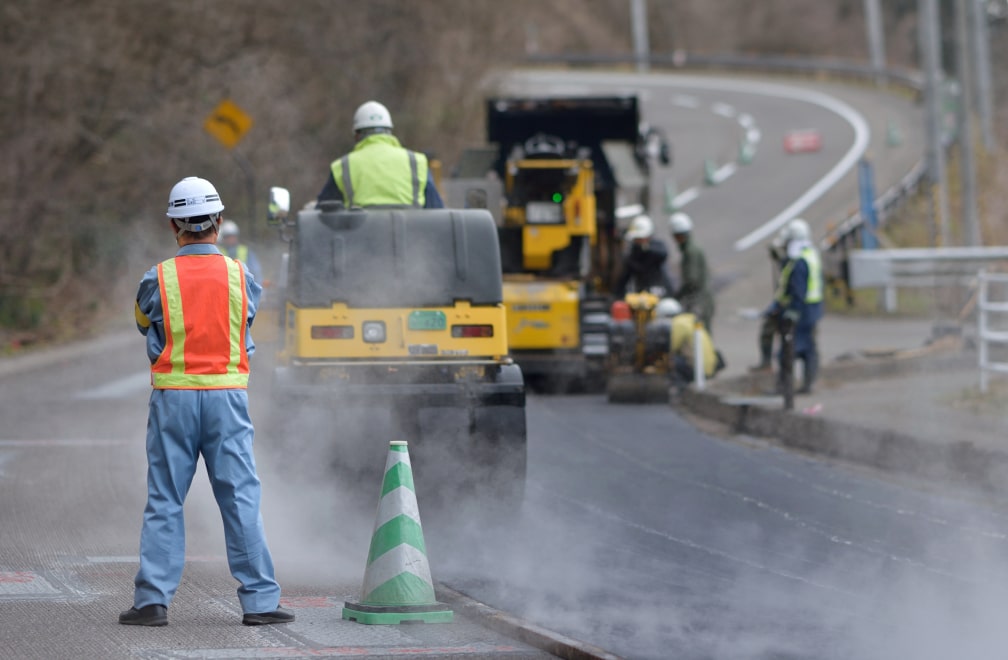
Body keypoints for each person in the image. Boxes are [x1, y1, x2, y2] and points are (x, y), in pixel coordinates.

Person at [121, 176, 293, 627]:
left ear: (175, 226)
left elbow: (142, 320)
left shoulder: (156, 277)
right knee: (240, 497)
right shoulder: (242, 276)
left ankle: (153, 602)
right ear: (217, 221)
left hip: (173, 399)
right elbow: (249, 316)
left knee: (165, 499)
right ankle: (259, 602)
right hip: (227, 399)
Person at [317, 100, 444, 208]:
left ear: (356, 135)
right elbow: (436, 211)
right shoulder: (416, 162)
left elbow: (323, 214)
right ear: (390, 132)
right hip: (413, 236)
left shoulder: (344, 166)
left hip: (361, 237)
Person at [764, 218, 824, 394]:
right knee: (809, 350)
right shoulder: (811, 254)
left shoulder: (798, 262)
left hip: (801, 311)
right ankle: (808, 383)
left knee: (788, 351)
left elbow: (798, 289)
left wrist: (792, 311)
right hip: (812, 310)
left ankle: (785, 388)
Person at [654, 297, 723, 386]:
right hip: (709, 368)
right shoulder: (689, 320)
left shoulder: (678, 324)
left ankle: (680, 387)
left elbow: (670, 347)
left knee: (666, 359)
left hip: (698, 369)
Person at [750, 227, 790, 372]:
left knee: (788, 342)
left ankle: (785, 375)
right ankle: (767, 363)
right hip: (781, 303)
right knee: (767, 330)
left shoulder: (793, 260)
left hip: (788, 305)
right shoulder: (787, 260)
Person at [669, 212, 715, 334]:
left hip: (699, 301)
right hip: (702, 299)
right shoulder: (692, 248)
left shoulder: (690, 252)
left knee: (700, 337)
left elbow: (692, 280)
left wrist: (677, 296)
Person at [614, 214, 675, 298]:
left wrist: (645, 248)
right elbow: (626, 275)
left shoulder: (657, 247)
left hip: (662, 292)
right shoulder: (634, 254)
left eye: (640, 238)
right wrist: (618, 295)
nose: (637, 241)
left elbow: (662, 254)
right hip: (642, 294)